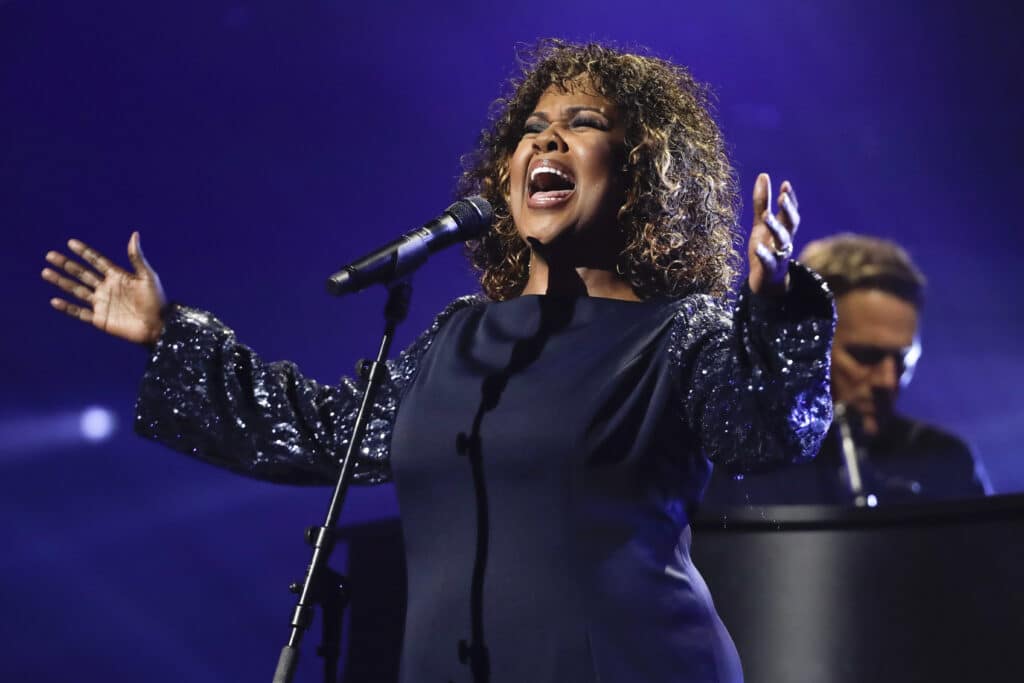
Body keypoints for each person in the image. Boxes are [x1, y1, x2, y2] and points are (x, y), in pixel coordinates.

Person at [41, 40, 834, 683]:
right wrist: (169, 332)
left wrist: (772, 303)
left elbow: (766, 429)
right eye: (532, 126)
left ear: (644, 178)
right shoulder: (456, 339)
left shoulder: (681, 334)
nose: (546, 138)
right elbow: (317, 431)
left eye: (583, 122)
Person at [703, 233, 990, 507]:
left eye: (903, 361)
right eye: (865, 356)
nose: (888, 381)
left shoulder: (947, 461)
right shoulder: (737, 460)